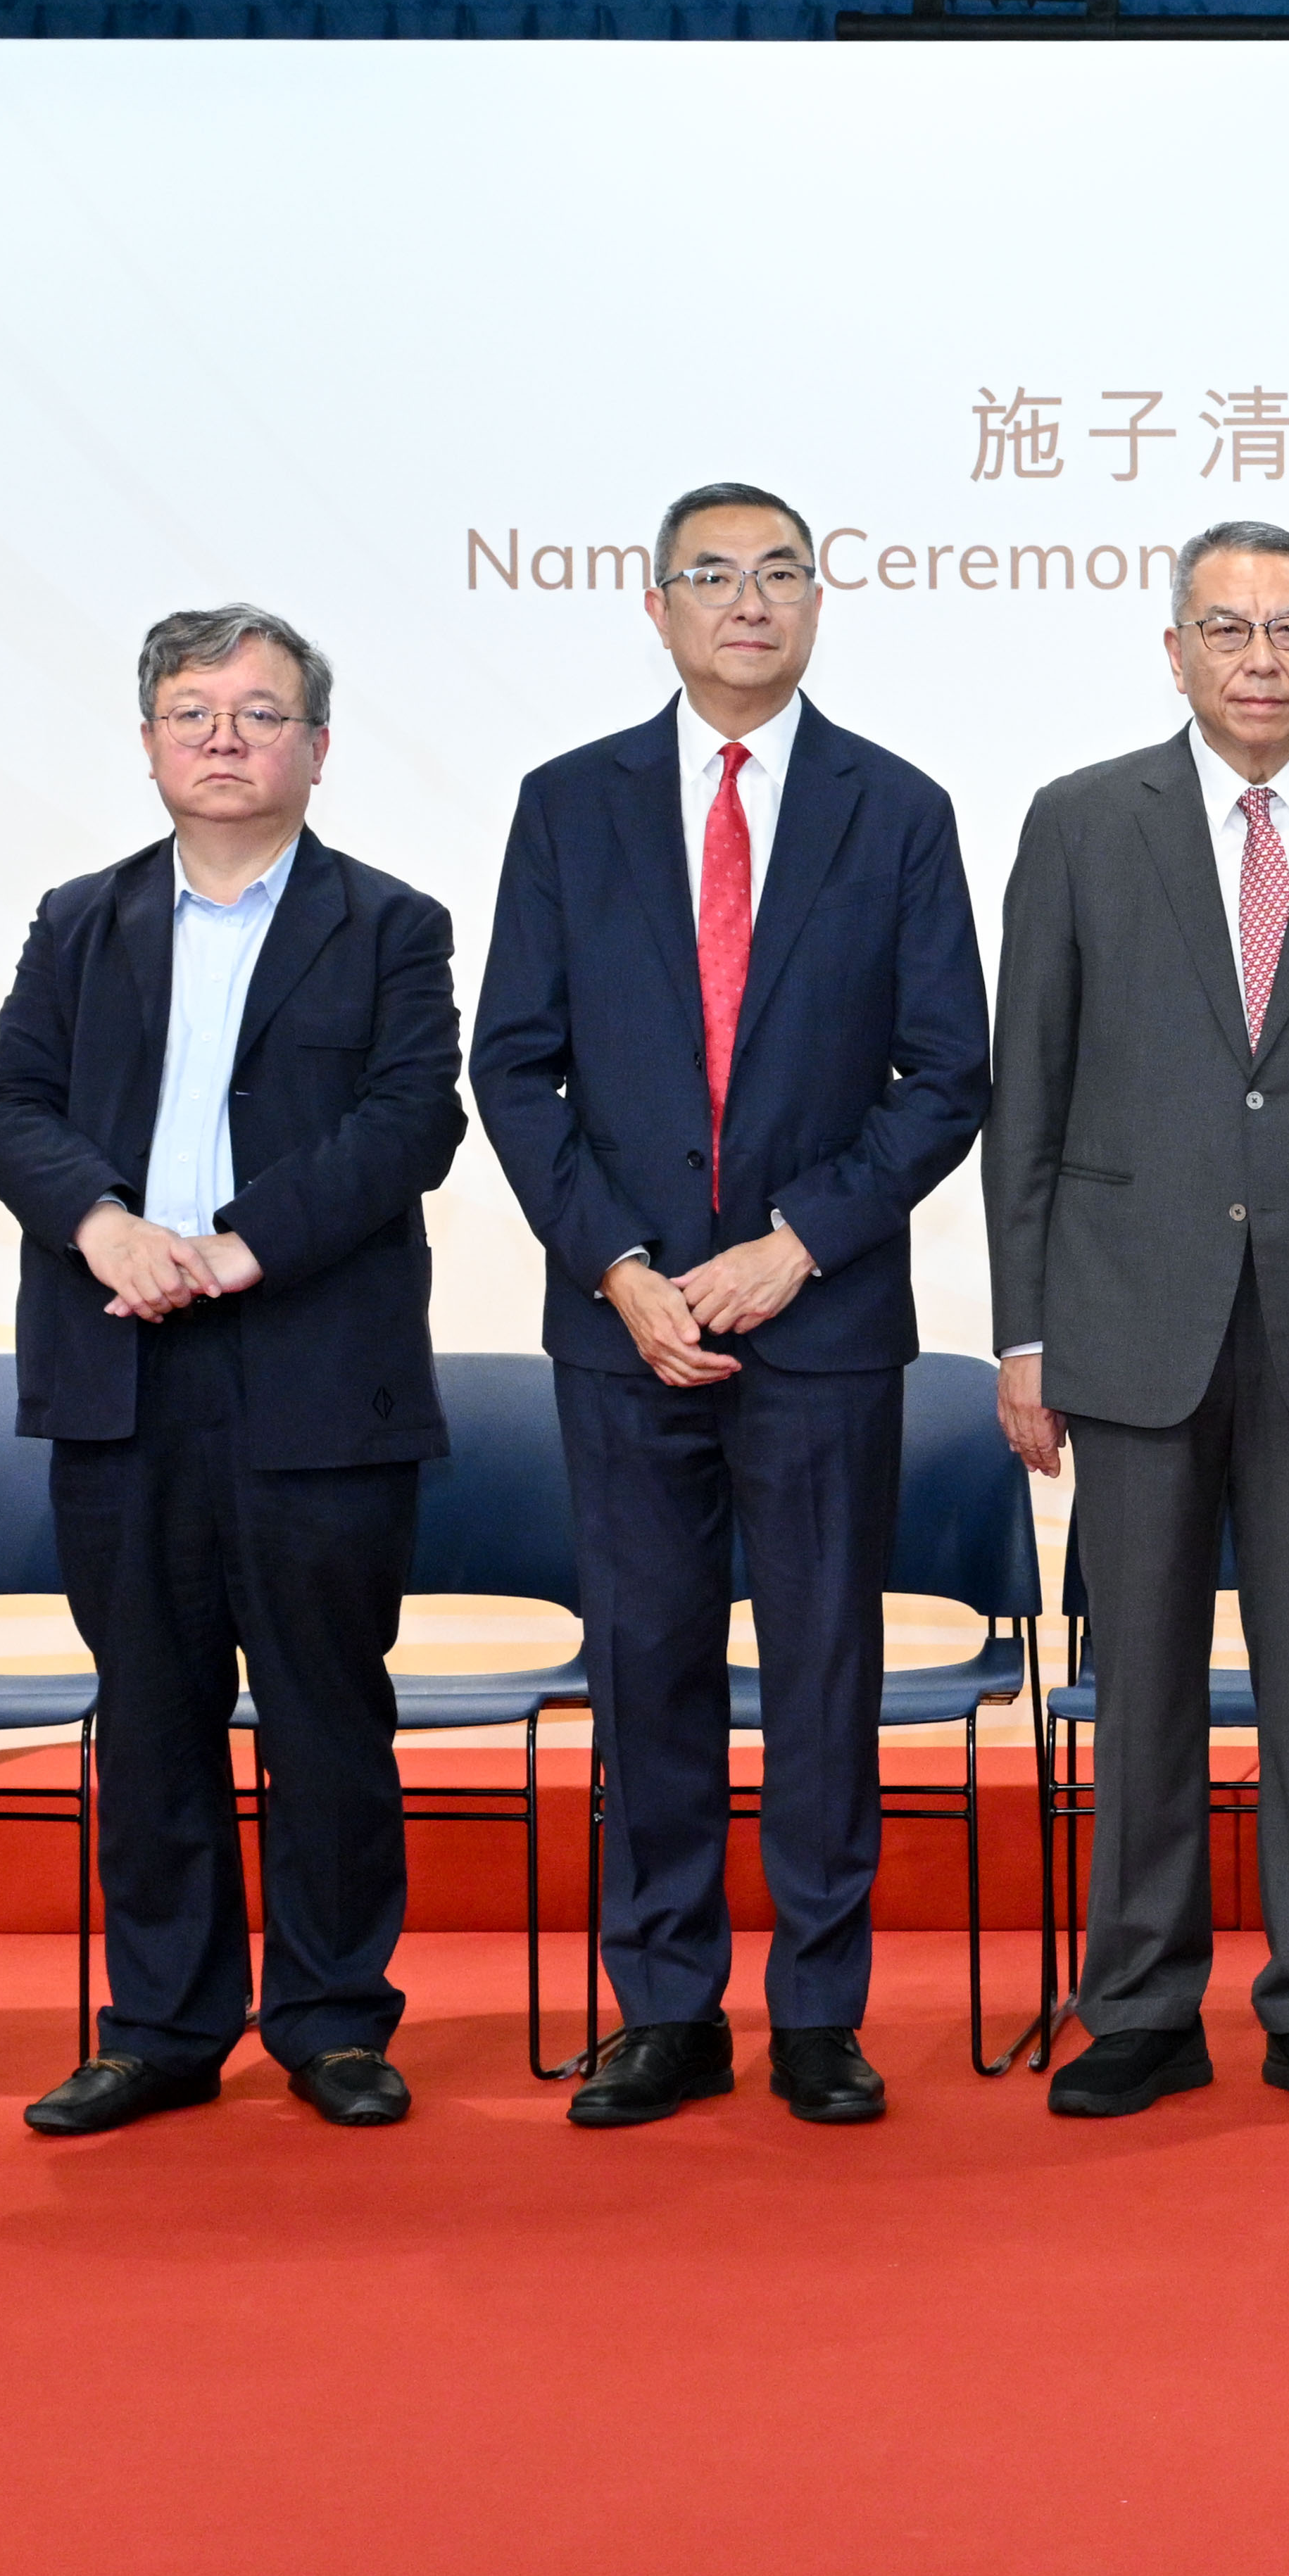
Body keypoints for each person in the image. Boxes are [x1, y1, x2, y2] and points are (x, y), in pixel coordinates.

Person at [472, 484, 991, 2131]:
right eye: (713, 575)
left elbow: (946, 1073)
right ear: (656, 605)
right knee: (648, 1666)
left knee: (828, 1665)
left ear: (820, 603)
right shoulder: (568, 806)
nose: (748, 601)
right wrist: (621, 1267)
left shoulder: (893, 808)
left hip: (818, 1323)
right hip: (623, 1325)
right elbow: (515, 1064)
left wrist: (797, 1242)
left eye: (780, 574)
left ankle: (822, 2010)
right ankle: (668, 2005)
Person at [990, 517, 1289, 2121]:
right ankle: (1135, 2002)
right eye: (1226, 627)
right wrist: (1022, 1330)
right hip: (1128, 1319)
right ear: (1175, 649)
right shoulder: (1080, 822)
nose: (1258, 656)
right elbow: (1030, 1099)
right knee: (1136, 1682)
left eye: (1288, 628)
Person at [0, 606, 470, 2138]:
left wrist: (247, 1243)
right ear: (148, 744)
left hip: (314, 1369)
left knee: (328, 1705)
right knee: (152, 1705)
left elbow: (410, 1123)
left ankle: (330, 2015)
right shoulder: (79, 919)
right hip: (121, 1366)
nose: (226, 738)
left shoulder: (389, 921)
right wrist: (103, 1224)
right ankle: (163, 2022)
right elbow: (11, 1111)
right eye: (194, 712)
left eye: (261, 713)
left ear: (316, 749)